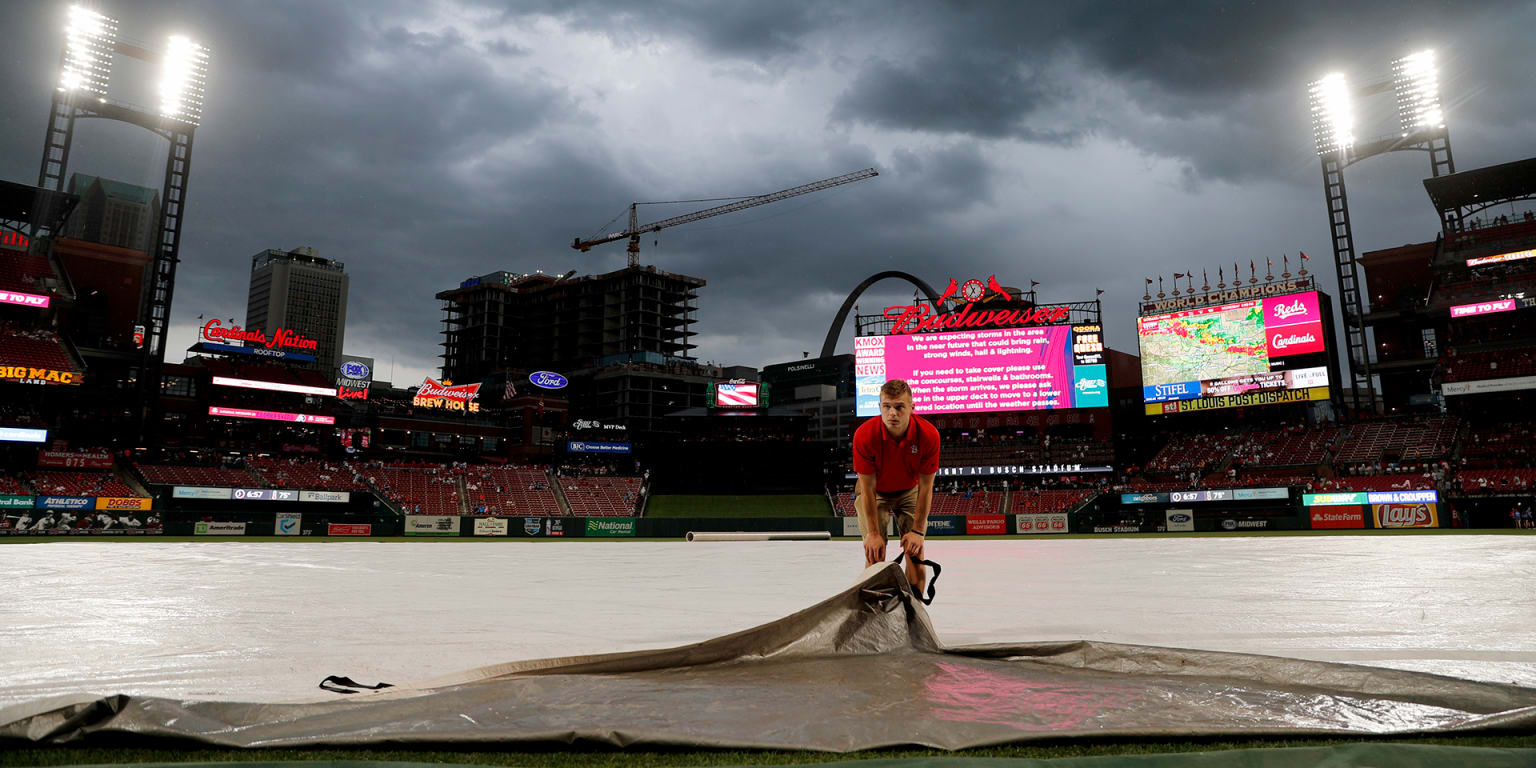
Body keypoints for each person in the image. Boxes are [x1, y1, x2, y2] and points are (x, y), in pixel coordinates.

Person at [852, 379, 940, 594]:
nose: (893, 413)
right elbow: (868, 490)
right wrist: (873, 534)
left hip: (910, 489)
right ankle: (875, 615)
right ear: (880, 407)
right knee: (875, 552)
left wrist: (917, 531)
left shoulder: (928, 435)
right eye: (887, 406)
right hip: (877, 492)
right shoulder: (864, 435)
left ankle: (914, 613)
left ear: (912, 408)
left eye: (899, 407)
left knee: (915, 552)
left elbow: (926, 488)